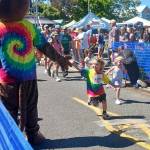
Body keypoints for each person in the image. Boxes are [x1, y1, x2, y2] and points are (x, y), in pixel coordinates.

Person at [0, 0, 71, 145]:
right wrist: (60, 60)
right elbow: (44, 46)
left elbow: (44, 46)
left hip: (8, 79)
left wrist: (60, 60)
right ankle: (32, 135)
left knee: (11, 110)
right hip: (25, 76)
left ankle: (13, 138)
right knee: (28, 107)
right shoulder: (28, 27)